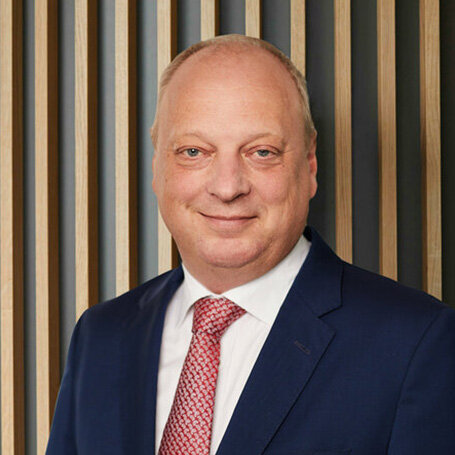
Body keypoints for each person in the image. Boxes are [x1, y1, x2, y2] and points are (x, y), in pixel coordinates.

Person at [47, 34, 455, 455]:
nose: (227, 188)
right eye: (193, 151)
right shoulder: (101, 336)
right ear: (157, 166)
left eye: (261, 152)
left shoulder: (415, 343)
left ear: (309, 164)